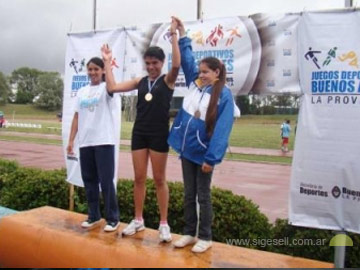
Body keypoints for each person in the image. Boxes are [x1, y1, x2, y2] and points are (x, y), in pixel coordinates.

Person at [101, 17, 180, 242]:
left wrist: (174, 35)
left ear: (161, 63)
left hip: (159, 134)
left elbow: (176, 65)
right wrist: (107, 62)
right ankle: (138, 220)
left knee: (159, 179)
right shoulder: (140, 81)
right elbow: (113, 87)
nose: (151, 67)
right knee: (138, 178)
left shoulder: (168, 80)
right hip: (140, 133)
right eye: (148, 63)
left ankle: (164, 223)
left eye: (155, 63)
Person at [168, 17, 237, 253]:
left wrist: (211, 157)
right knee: (188, 194)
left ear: (217, 73)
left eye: (206, 72)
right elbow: (187, 59)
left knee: (203, 196)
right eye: (200, 71)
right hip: (187, 150)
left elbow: (222, 130)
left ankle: (205, 237)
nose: (201, 74)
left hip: (204, 155)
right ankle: (189, 233)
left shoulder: (225, 96)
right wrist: (182, 33)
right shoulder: (195, 84)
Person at [67, 57, 120, 232]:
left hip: (104, 140)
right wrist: (71, 140)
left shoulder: (107, 88)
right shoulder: (82, 91)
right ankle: (94, 215)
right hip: (86, 142)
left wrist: (107, 62)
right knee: (89, 181)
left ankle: (113, 218)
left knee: (106, 181)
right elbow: (76, 116)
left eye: (96, 69)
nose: (93, 72)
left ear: (103, 71)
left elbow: (112, 87)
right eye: (90, 69)